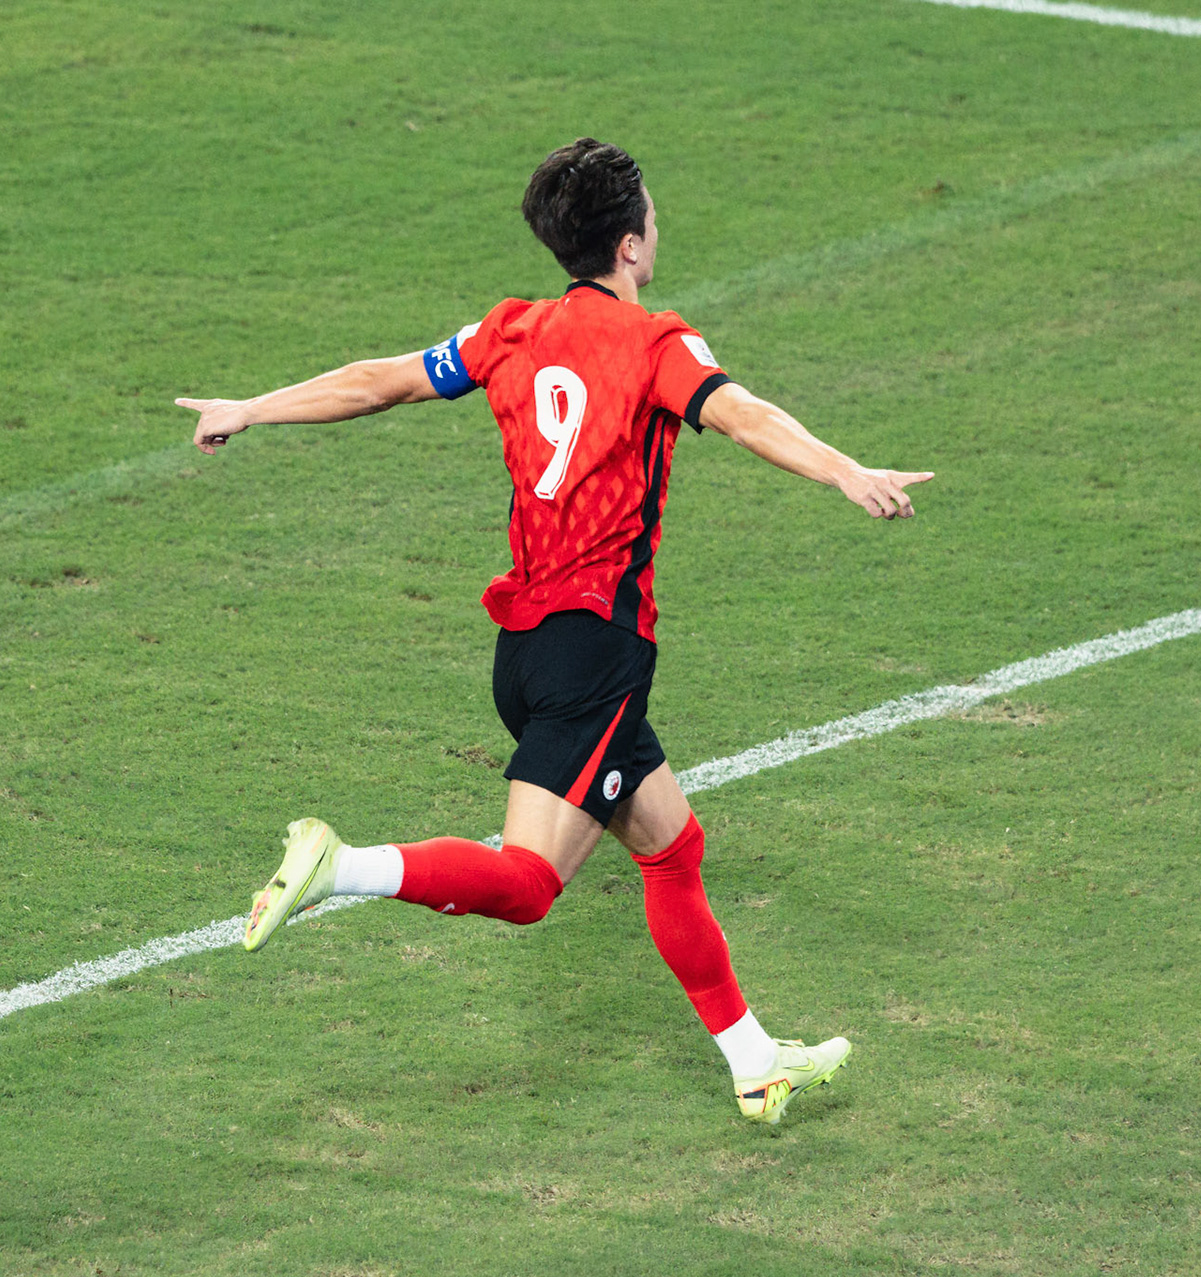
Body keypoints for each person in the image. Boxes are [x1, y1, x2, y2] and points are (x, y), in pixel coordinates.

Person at [177, 138, 932, 1124]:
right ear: (628, 245)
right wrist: (843, 469)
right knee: (530, 885)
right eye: (653, 216)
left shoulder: (511, 331)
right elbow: (744, 416)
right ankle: (342, 864)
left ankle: (754, 1060)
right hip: (597, 652)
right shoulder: (658, 343)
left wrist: (253, 407)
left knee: (670, 843)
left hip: (526, 649)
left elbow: (381, 378)